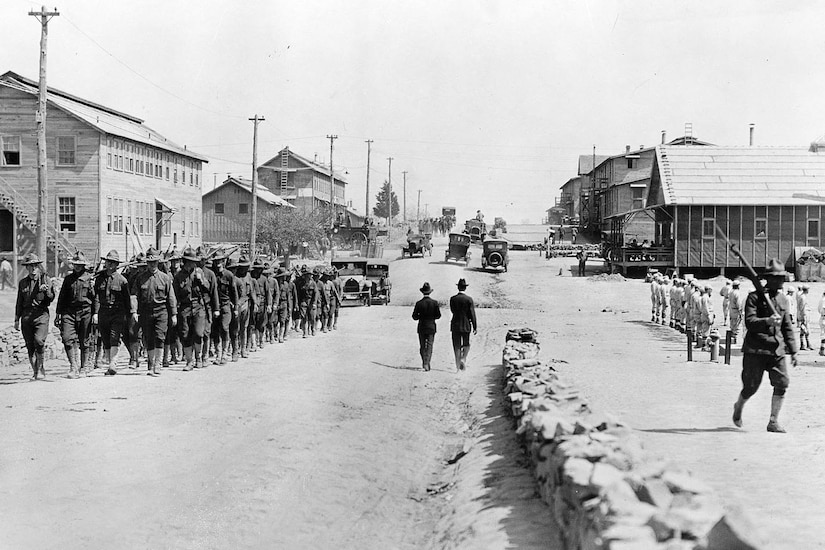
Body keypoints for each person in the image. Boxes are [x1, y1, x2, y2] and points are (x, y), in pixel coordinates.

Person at [733, 259, 797, 433]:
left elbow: (787, 326)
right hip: (756, 349)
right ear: (768, 279)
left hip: (777, 349)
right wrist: (767, 320)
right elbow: (750, 322)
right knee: (751, 387)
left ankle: (773, 421)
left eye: (782, 278)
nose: (780, 281)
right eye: (776, 278)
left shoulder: (784, 300)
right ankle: (739, 405)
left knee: (782, 383)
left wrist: (793, 350)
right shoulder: (754, 297)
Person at [130, 247, 177, 377]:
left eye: (154, 262)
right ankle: (150, 364)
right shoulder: (140, 278)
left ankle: (158, 364)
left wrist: (173, 314)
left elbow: (171, 297)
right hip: (146, 311)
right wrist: (134, 311)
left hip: (161, 311)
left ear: (158, 263)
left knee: (160, 337)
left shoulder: (165, 278)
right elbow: (134, 295)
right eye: (150, 263)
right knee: (149, 338)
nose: (152, 265)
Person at [15, 253, 55, 380]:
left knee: (39, 341)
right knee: (30, 345)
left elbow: (51, 298)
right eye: (30, 266)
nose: (33, 269)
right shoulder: (23, 283)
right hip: (26, 316)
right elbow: (19, 302)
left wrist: (46, 291)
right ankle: (35, 371)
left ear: (39, 267)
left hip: (41, 314)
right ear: (27, 268)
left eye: (35, 266)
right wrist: (16, 318)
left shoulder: (45, 280)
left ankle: (41, 366)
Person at [56, 251, 96, 378]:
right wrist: (58, 313)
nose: (77, 266)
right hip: (69, 312)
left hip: (85, 312)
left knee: (85, 340)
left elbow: (96, 298)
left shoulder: (90, 279)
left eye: (80, 264)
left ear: (84, 265)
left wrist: (95, 313)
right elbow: (62, 297)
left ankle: (83, 367)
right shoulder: (68, 279)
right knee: (67, 338)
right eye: (75, 264)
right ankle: (73, 366)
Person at [93, 250, 132, 376]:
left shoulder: (122, 281)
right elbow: (96, 297)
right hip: (103, 312)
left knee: (114, 337)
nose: (110, 264)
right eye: (109, 262)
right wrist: (95, 313)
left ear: (116, 264)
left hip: (117, 312)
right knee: (105, 338)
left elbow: (127, 300)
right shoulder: (99, 279)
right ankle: (110, 364)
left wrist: (128, 315)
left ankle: (113, 364)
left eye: (113, 262)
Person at [173, 247, 211, 371]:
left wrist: (201, 280)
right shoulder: (178, 276)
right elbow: (174, 294)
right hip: (184, 308)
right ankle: (189, 361)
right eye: (189, 261)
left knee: (199, 333)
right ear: (185, 261)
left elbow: (208, 289)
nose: (192, 264)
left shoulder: (199, 272)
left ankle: (198, 357)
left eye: (193, 261)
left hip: (198, 306)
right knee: (185, 335)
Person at [412, 282, 441, 371]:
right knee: (429, 345)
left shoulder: (419, 303)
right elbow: (438, 315)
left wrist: (421, 316)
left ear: (422, 292)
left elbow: (414, 317)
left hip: (421, 327)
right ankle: (427, 362)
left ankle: (424, 361)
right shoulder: (434, 303)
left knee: (422, 346)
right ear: (430, 292)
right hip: (431, 327)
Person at [449, 278, 477, 371]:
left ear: (458, 287)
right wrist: (475, 326)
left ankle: (457, 366)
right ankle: (463, 358)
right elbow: (472, 313)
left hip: (455, 324)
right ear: (465, 288)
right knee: (466, 344)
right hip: (466, 325)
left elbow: (452, 311)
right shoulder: (469, 299)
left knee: (456, 345)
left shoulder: (453, 299)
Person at [797, 284, 813, 351]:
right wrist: (803, 317)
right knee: (806, 330)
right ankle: (806, 344)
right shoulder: (803, 297)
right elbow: (802, 307)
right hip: (805, 314)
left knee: (803, 330)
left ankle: (804, 344)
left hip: (805, 314)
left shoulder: (802, 296)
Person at [729, 280, 744, 344]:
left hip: (731, 309)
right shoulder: (737, 293)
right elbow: (738, 303)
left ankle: (732, 338)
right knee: (736, 326)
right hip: (736, 310)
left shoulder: (731, 292)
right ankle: (735, 340)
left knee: (732, 324)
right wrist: (740, 311)